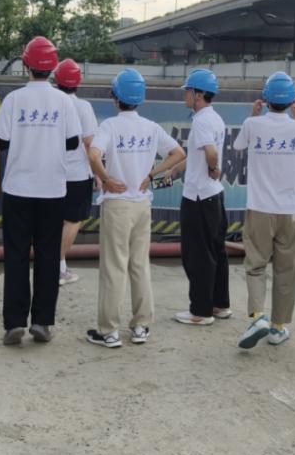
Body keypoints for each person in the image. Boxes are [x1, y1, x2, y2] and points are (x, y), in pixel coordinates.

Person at [85, 69, 185, 347]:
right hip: (142, 203)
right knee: (139, 265)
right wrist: (152, 175)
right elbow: (179, 153)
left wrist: (106, 179)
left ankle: (110, 331)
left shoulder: (109, 126)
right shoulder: (151, 127)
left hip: (117, 205)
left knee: (114, 267)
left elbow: (93, 154)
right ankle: (141, 326)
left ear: (116, 97)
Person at [0, 36, 82, 345]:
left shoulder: (13, 99)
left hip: (18, 188)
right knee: (48, 256)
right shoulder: (64, 101)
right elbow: (73, 142)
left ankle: (14, 323)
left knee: (16, 255)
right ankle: (42, 322)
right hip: (52, 189)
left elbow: (1, 142)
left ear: (26, 64)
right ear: (53, 67)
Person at [233, 72, 295, 349]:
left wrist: (253, 114)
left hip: (259, 209)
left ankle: (258, 316)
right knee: (286, 269)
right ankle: (278, 327)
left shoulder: (252, 124)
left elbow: (238, 146)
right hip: (290, 211)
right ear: (292, 101)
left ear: (265, 99)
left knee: (255, 265)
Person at [174, 68, 230, 326]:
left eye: (188, 91)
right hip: (214, 196)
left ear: (198, 94)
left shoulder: (201, 121)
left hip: (198, 198)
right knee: (217, 252)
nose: (185, 95)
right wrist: (175, 171)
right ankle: (219, 304)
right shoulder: (214, 118)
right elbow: (198, 155)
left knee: (197, 256)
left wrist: (213, 168)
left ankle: (200, 311)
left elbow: (210, 153)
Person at [53, 58, 98, 287]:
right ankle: (58, 268)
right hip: (77, 174)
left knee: (53, 221)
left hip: (51, 173)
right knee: (72, 221)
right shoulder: (83, 107)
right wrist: (98, 173)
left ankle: (52, 265)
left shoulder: (51, 104)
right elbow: (90, 143)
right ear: (78, 82)